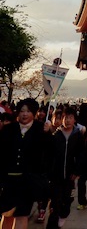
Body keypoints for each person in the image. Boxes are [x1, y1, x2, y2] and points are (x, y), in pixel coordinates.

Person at [0, 98, 52, 229]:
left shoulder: (41, 128)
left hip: (28, 181)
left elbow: (49, 150)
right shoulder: (8, 129)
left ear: (33, 113)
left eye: (28, 111)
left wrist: (48, 133)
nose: (24, 114)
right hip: (9, 181)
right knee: (7, 214)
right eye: (22, 111)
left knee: (22, 215)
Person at [46, 106, 84, 229]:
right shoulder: (56, 135)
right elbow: (48, 154)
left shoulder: (78, 136)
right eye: (65, 118)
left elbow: (81, 155)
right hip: (56, 176)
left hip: (70, 176)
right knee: (54, 204)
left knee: (67, 202)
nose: (67, 120)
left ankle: (63, 215)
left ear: (74, 120)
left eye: (70, 118)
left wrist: (77, 171)